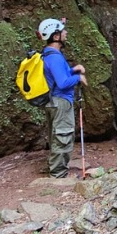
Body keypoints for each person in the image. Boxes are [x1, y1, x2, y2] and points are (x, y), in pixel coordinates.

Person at [37, 18, 88, 178]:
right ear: (56, 36)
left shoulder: (48, 54)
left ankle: (56, 168)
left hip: (52, 100)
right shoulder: (56, 57)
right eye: (62, 31)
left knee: (57, 135)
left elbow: (57, 75)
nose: (65, 33)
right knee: (63, 136)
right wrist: (78, 78)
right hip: (60, 102)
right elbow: (63, 82)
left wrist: (73, 69)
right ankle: (58, 175)